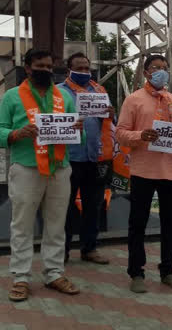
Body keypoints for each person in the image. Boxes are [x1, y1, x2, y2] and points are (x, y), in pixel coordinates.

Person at [0, 49, 84, 301]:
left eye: (49, 65)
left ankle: (54, 273)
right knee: (22, 224)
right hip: (26, 168)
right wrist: (16, 134)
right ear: (28, 67)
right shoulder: (12, 97)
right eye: (40, 66)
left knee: (56, 224)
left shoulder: (63, 97)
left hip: (59, 168)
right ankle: (21, 277)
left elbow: (79, 136)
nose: (46, 70)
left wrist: (78, 128)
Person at [116, 54, 172, 293]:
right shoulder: (133, 100)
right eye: (156, 68)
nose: (162, 72)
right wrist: (140, 135)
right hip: (143, 170)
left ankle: (167, 271)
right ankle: (136, 273)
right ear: (145, 73)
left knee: (170, 224)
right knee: (138, 223)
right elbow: (120, 133)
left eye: (165, 68)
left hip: (171, 172)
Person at [59, 51, 114, 265]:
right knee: (65, 205)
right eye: (79, 68)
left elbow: (109, 122)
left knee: (94, 205)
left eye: (86, 68)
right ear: (68, 70)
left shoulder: (99, 91)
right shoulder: (59, 92)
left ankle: (89, 248)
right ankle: (61, 251)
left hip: (95, 156)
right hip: (69, 157)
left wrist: (111, 113)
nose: (84, 72)